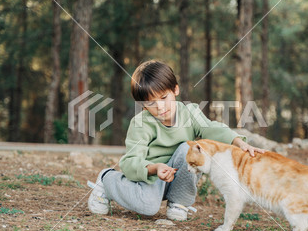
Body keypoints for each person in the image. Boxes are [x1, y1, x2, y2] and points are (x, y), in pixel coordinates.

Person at [88, 60, 264, 221]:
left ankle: (179, 202)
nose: (160, 107)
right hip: (151, 177)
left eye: (164, 98)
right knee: (148, 208)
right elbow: (130, 161)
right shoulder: (141, 124)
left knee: (191, 148)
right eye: (151, 103)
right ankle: (107, 180)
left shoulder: (190, 112)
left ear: (175, 90)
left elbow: (212, 128)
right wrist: (154, 168)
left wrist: (238, 142)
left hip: (178, 175)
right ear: (143, 105)